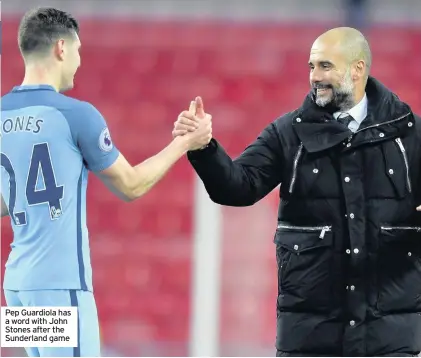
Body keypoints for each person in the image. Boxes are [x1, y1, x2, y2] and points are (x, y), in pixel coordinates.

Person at [174, 27, 421, 356]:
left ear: (358, 68)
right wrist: (204, 148)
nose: (315, 76)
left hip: (389, 342)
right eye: (311, 66)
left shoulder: (410, 133)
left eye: (325, 66)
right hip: (309, 341)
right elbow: (237, 187)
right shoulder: (287, 133)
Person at [0, 7, 211, 357]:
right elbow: (131, 185)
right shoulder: (75, 114)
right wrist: (186, 142)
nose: (79, 62)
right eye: (79, 51)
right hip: (60, 284)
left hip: (18, 286)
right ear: (61, 48)